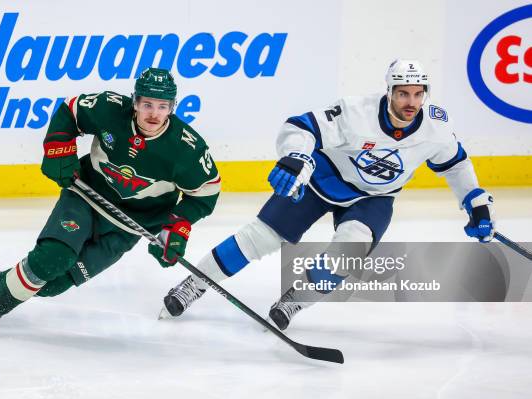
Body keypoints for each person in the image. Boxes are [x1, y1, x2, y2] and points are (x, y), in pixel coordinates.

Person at [159, 59, 495, 330]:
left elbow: (456, 165)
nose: (411, 102)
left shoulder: (435, 129)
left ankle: (293, 302)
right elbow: (300, 127)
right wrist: (296, 156)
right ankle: (194, 284)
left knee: (348, 252)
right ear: (390, 91)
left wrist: (476, 205)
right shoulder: (355, 111)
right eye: (403, 94)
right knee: (259, 238)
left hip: (373, 199)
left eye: (418, 94)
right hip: (324, 178)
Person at [0, 68, 221, 335]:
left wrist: (176, 227)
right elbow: (71, 112)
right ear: (135, 101)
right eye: (147, 104)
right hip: (85, 197)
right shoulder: (110, 109)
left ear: (172, 107)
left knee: (56, 284)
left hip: (127, 228)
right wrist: (58, 150)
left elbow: (206, 192)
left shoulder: (186, 148)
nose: (154, 113)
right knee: (53, 259)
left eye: (163, 106)